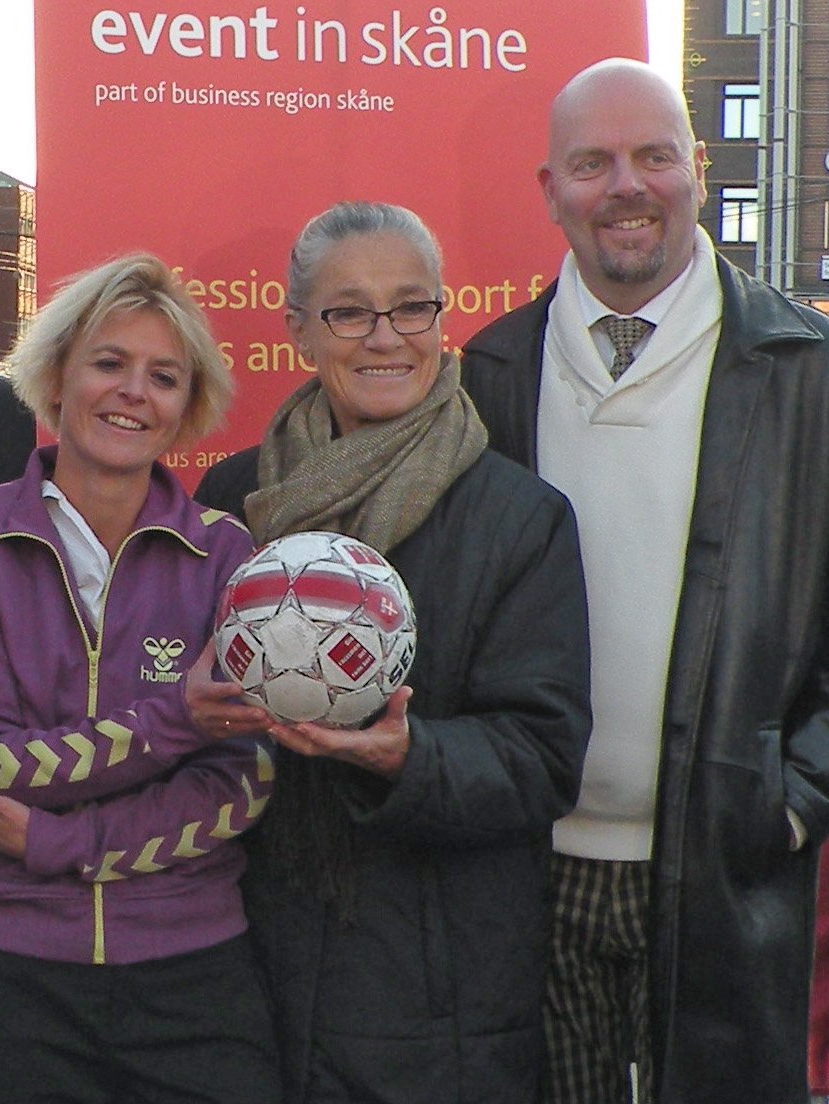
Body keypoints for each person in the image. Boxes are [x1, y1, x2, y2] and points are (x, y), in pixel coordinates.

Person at [460, 57, 829, 1104]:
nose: (626, 185)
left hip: (729, 870)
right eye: (593, 162)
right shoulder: (489, 376)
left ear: (698, 170)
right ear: (551, 191)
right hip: (528, 874)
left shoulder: (809, 373)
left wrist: (791, 801)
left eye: (654, 155)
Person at [194, 200, 592, 1103]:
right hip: (249, 962)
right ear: (297, 329)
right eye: (348, 311)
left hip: (436, 988)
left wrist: (408, 757)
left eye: (412, 307)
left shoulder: (520, 518)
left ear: (442, 320)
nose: (385, 337)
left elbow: (543, 756)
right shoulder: (232, 499)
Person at [0, 253, 282, 1104]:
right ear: (56, 374)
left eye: (163, 376)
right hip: (14, 983)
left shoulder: (230, 557)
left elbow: (242, 785)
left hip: (195, 977)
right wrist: (177, 721)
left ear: (188, 406)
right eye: (108, 364)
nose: (131, 393)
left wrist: (57, 844)